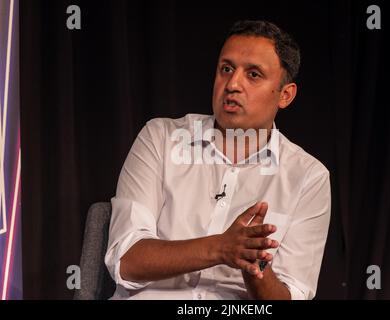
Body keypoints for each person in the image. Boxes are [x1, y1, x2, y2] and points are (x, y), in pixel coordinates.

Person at [105, 20, 331, 300]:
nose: (232, 84)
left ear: (285, 95)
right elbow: (126, 260)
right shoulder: (161, 138)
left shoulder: (308, 176)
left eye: (253, 75)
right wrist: (222, 248)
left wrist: (253, 262)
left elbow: (289, 296)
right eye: (226, 69)